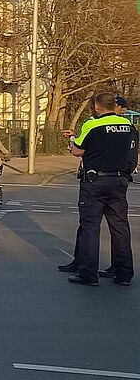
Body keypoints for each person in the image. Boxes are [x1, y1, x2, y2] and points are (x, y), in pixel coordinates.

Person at [59, 92, 135, 286]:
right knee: (120, 227)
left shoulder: (92, 124)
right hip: (118, 181)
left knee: (90, 227)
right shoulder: (128, 125)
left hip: (95, 182)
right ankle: (124, 273)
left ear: (97, 107)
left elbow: (78, 150)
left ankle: (88, 273)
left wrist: (73, 141)